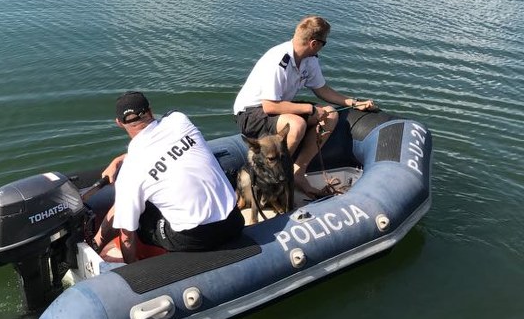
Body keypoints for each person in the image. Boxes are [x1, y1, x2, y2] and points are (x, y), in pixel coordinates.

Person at [92, 91, 244, 263]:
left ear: (119, 123)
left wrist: (132, 269)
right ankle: (97, 241)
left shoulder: (131, 170)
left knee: (134, 214)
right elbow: (162, 148)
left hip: (195, 238)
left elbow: (127, 237)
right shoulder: (180, 120)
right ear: (150, 110)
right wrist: (119, 160)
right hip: (234, 221)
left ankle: (99, 245)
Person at [233, 15, 377, 197]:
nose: (323, 47)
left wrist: (353, 102)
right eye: (324, 43)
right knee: (297, 124)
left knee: (330, 114)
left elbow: (322, 89)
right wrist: (309, 110)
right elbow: (269, 106)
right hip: (251, 112)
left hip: (279, 107)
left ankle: (297, 173)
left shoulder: (309, 59)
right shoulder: (279, 61)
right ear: (314, 43)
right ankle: (272, 178)